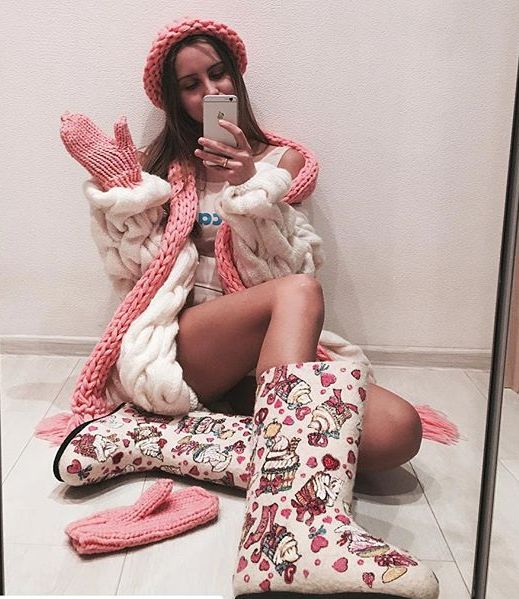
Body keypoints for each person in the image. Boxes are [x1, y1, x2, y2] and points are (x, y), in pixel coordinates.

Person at [53, 18, 442, 598]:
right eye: (191, 85)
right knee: (299, 295)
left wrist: (252, 190)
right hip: (188, 347)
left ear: (236, 76)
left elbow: (291, 265)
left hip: (268, 355)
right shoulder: (159, 166)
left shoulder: (284, 163)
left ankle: (169, 441)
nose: (210, 92)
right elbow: (135, 276)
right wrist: (126, 197)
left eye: (218, 74)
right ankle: (287, 531)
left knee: (398, 433)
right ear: (174, 100)